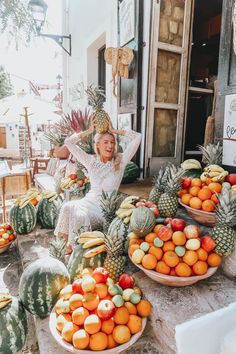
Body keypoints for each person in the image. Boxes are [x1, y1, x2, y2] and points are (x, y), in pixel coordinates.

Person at [54, 117, 141, 252]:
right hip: (88, 202)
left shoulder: (120, 161)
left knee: (79, 216)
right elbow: (69, 143)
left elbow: (138, 137)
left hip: (103, 209)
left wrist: (114, 130)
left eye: (112, 142)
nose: (110, 146)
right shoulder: (91, 161)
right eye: (106, 142)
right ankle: (63, 248)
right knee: (67, 207)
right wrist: (89, 130)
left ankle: (77, 251)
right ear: (98, 145)